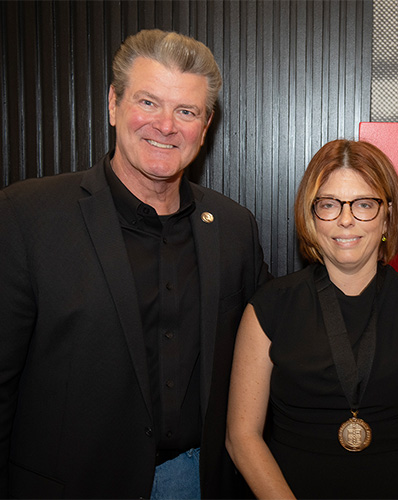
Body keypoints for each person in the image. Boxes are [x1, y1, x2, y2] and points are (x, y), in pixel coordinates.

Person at [0, 29, 270, 499]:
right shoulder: (27, 217)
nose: (165, 126)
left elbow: (269, 356)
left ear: (204, 127)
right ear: (113, 104)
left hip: (197, 482)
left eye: (186, 111)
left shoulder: (234, 227)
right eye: (148, 102)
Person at [226, 139, 398, 499]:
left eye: (364, 204)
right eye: (330, 205)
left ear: (388, 214)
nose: (346, 219)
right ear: (311, 215)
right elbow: (241, 438)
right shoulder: (269, 306)